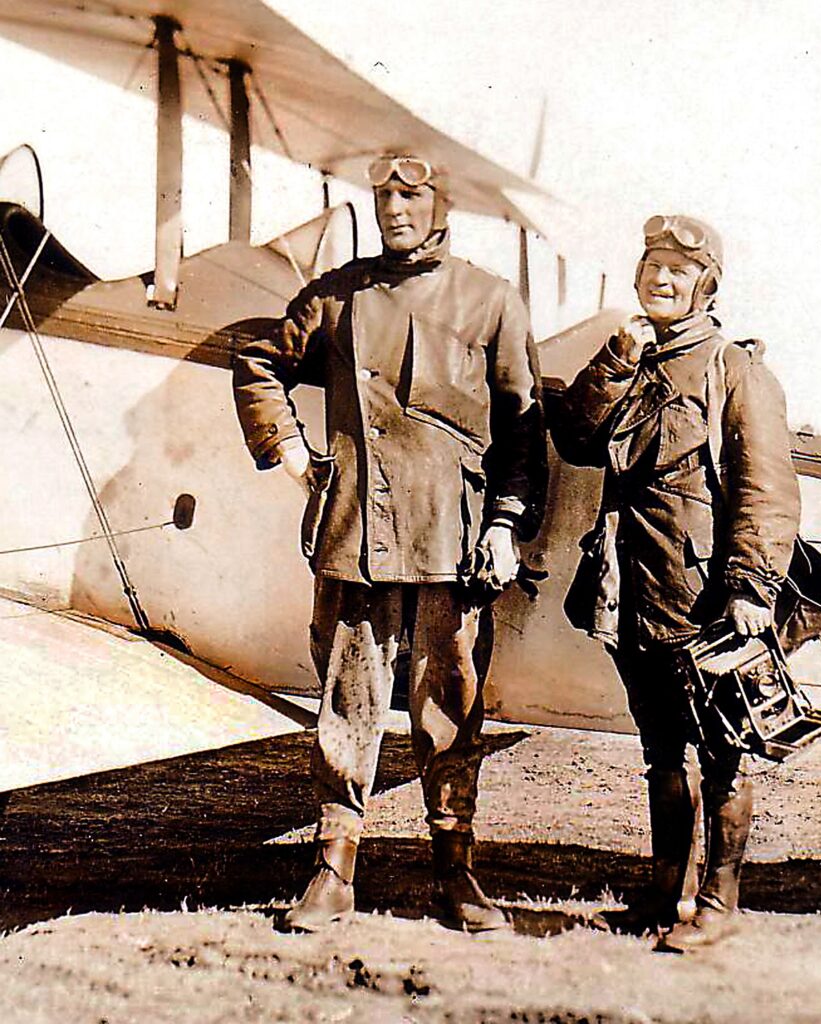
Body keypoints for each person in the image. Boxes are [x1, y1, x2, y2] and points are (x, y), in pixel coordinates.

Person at [233, 153, 547, 933]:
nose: (395, 209)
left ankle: (456, 872)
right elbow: (258, 360)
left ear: (442, 202)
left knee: (450, 704)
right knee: (346, 703)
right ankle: (333, 869)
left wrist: (506, 524)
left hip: (453, 535)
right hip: (357, 533)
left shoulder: (489, 300)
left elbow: (521, 426)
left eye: (411, 195)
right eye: (383, 196)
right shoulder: (337, 294)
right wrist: (291, 452)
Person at [550, 214, 800, 952]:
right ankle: (664, 893)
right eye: (651, 266)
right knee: (661, 749)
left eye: (678, 271)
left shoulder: (737, 372)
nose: (660, 279)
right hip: (631, 591)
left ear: (705, 285)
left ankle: (717, 904)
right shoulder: (633, 361)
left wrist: (752, 588)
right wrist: (616, 359)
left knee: (724, 750)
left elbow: (767, 491)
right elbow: (576, 439)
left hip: (706, 600)